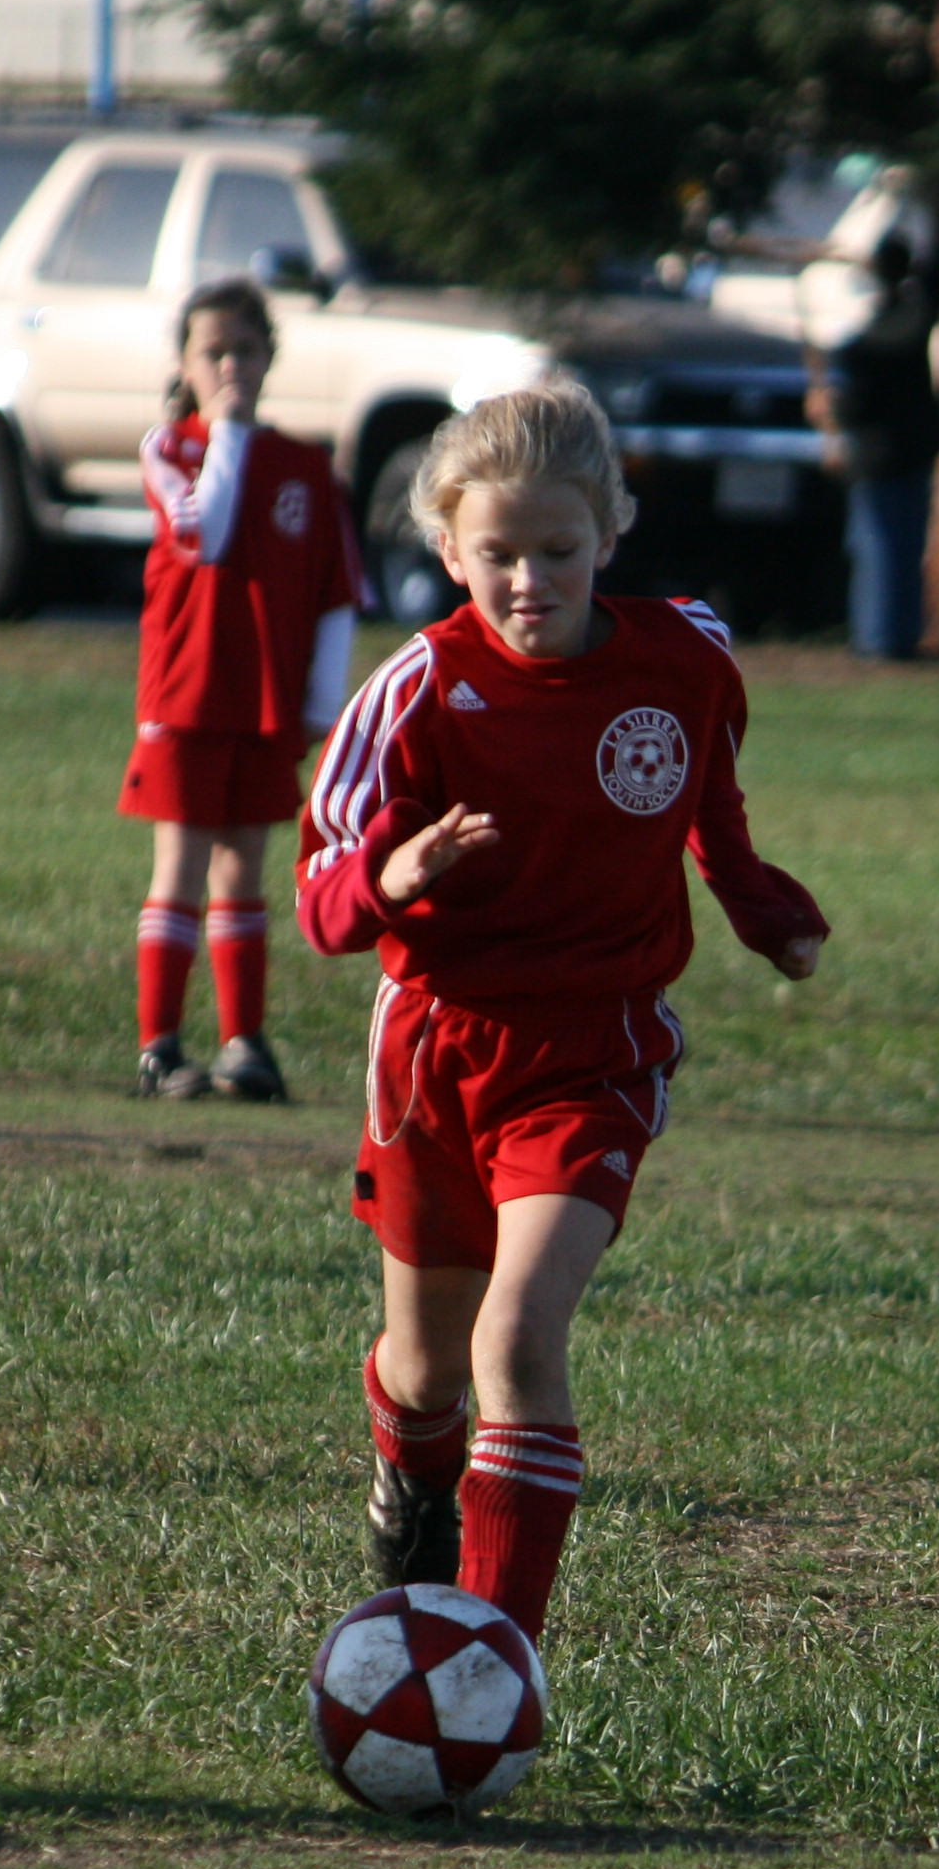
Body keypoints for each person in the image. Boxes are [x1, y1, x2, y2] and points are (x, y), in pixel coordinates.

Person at [299, 379, 828, 1645]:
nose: (530, 581)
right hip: (439, 1053)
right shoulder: (417, 690)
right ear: (448, 550)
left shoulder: (685, 659)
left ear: (611, 533)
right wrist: (390, 876)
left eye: (559, 550)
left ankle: (497, 1660)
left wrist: (762, 908)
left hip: (595, 1049)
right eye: (498, 555)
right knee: (425, 1369)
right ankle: (412, 1481)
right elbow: (319, 897)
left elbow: (710, 805)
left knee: (520, 1337)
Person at [122, 275, 366, 1104]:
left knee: (245, 869)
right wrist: (225, 430)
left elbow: (337, 590)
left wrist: (321, 706)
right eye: (214, 352)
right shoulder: (173, 449)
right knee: (183, 863)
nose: (231, 366)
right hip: (187, 693)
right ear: (185, 364)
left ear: (270, 357)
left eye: (246, 350)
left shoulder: (306, 466)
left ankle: (245, 1044)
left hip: (264, 700)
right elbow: (208, 534)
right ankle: (159, 1048)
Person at [818, 231, 939, 660]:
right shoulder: (918, 320)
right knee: (908, 546)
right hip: (914, 449)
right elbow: (937, 279)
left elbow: (851, 402)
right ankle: (900, 636)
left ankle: (876, 637)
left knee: (875, 544)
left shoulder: (860, 342)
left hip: (873, 455)